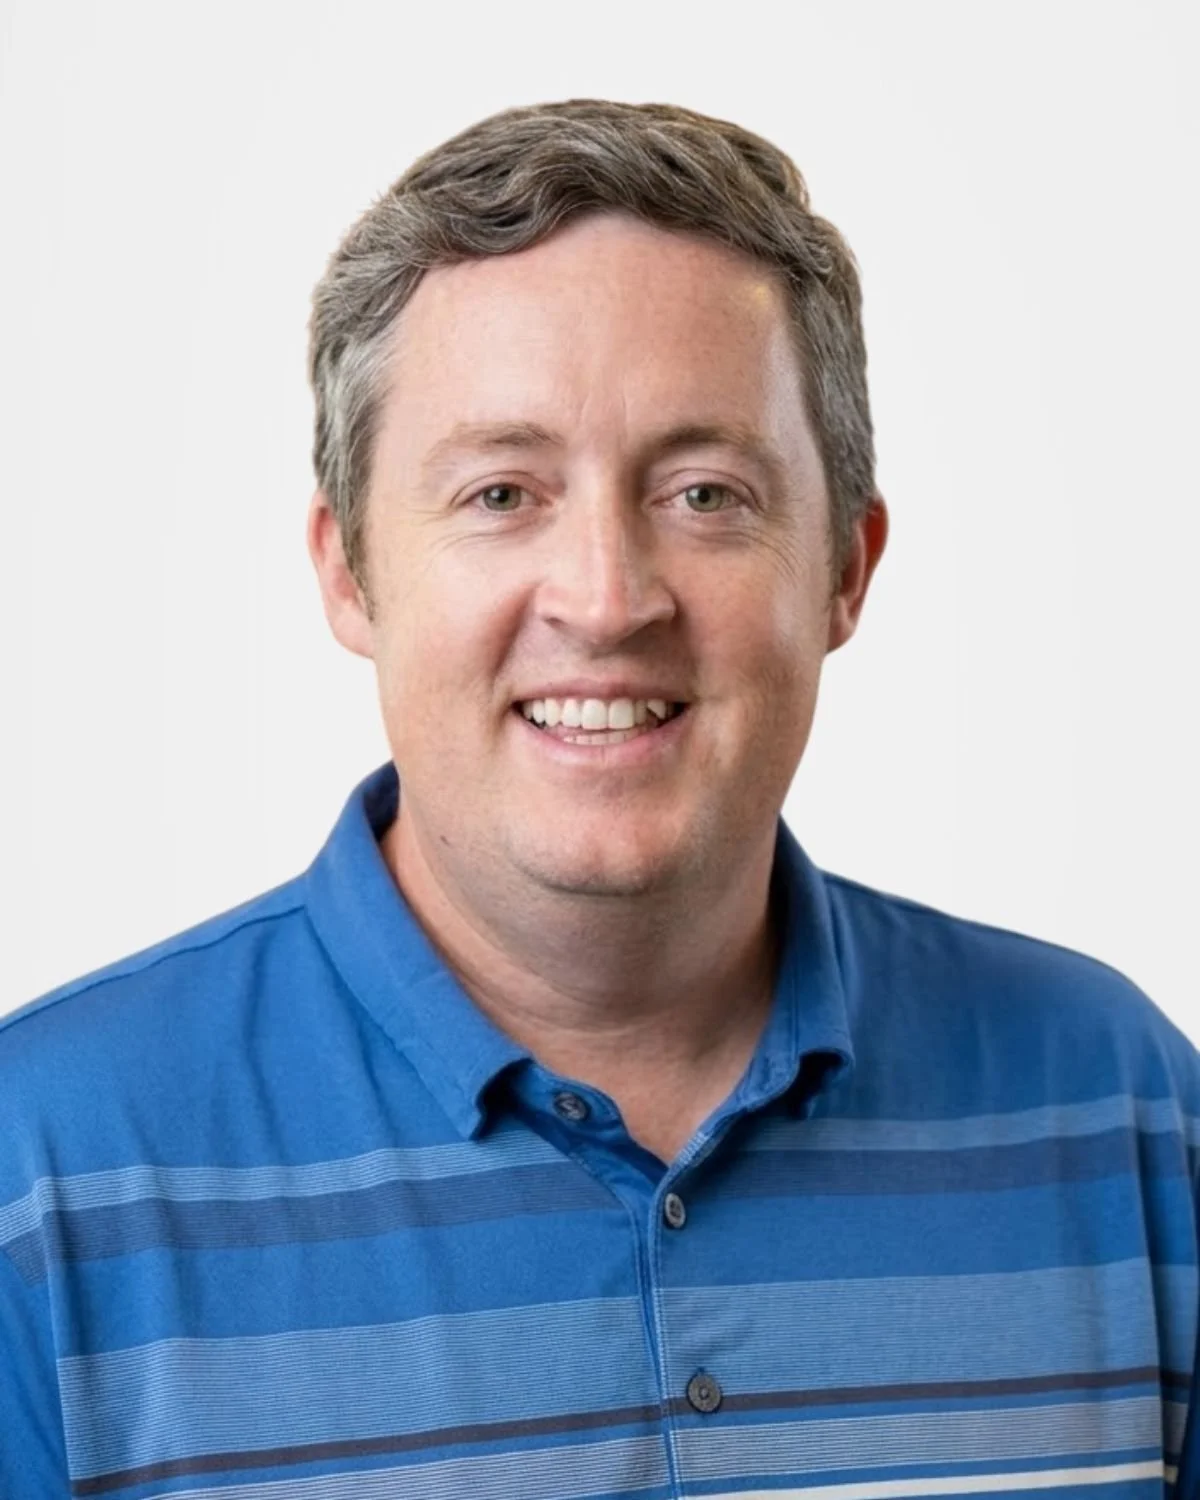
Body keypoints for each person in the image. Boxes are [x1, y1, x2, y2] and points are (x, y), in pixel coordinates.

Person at [1, 97, 1195, 1499]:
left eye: (704, 494)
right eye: (503, 493)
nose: (608, 600)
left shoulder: (1125, 1120)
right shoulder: (42, 1178)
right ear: (347, 571)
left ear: (846, 570)